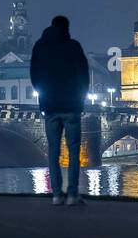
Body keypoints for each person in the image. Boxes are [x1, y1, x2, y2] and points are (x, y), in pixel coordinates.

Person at [29, 15, 91, 206]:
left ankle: (56, 195)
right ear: (67, 27)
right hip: (72, 106)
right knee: (74, 152)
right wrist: (81, 97)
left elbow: (34, 75)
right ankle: (72, 195)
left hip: (50, 106)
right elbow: (83, 75)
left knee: (53, 152)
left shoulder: (40, 46)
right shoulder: (74, 46)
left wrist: (44, 95)